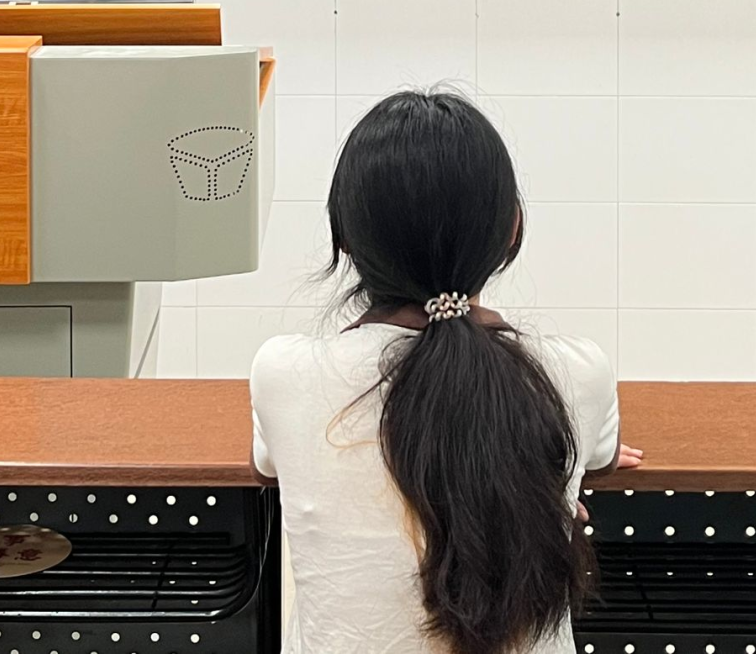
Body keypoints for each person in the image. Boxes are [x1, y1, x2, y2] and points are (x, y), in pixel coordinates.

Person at [251, 90, 640, 654]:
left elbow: (269, 465)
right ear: (511, 228)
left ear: (345, 236)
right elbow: (600, 458)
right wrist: (559, 468)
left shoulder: (284, 373)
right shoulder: (577, 373)